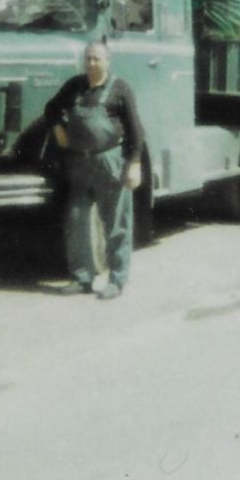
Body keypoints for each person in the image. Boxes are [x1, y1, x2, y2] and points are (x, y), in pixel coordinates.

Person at [44, 40, 145, 300]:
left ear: (107, 62)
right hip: (79, 163)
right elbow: (51, 108)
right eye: (88, 59)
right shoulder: (75, 86)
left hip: (110, 162)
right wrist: (58, 129)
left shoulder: (119, 88)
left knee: (116, 224)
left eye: (96, 59)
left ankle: (117, 280)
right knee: (76, 222)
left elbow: (136, 130)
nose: (91, 64)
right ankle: (82, 277)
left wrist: (134, 164)